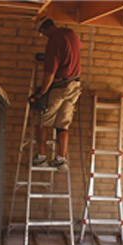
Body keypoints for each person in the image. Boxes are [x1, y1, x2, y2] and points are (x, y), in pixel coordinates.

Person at [30, 17, 81, 171]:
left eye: (42, 33)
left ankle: (41, 157)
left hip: (59, 87)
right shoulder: (70, 33)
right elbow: (72, 50)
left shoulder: (53, 42)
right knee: (63, 124)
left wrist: (41, 93)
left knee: (41, 120)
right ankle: (60, 159)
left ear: (44, 30)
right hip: (74, 86)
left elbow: (49, 74)